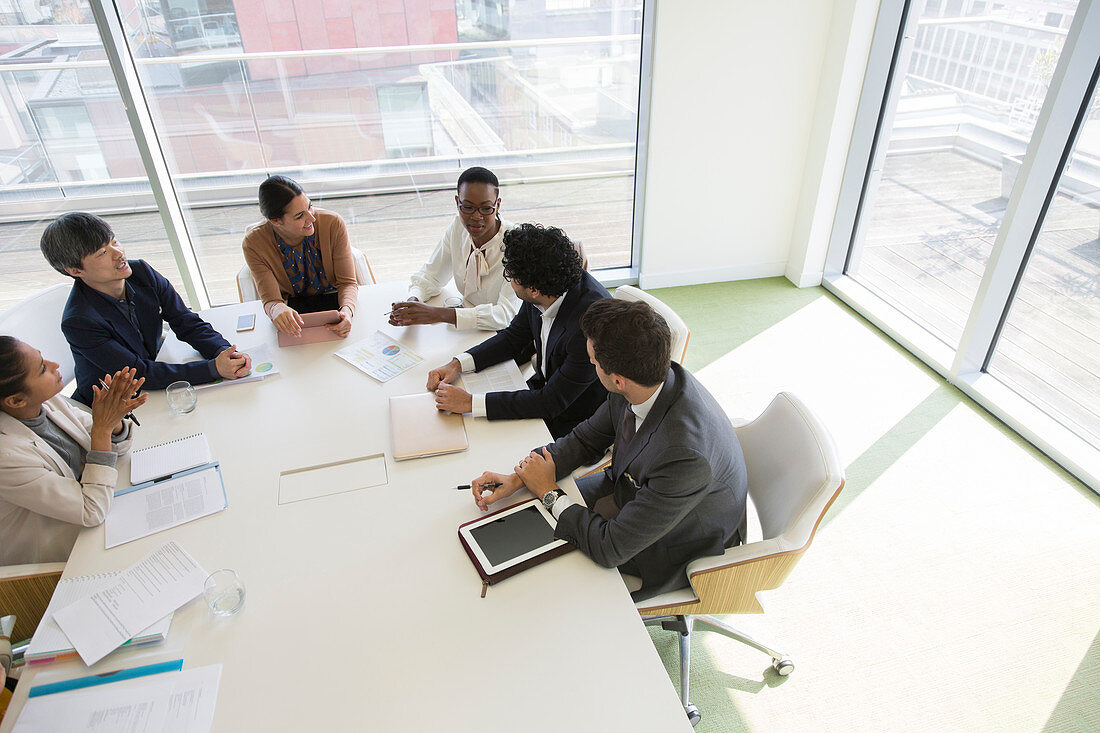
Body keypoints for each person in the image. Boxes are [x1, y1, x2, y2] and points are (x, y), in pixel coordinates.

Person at [469, 298, 748, 602]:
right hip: (631, 489)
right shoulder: (643, 379)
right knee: (523, 524)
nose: (590, 363)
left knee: (544, 582)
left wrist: (550, 493)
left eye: (593, 360)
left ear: (617, 379)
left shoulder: (685, 455)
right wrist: (520, 478)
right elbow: (585, 439)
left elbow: (610, 548)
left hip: (676, 542)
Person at [41, 212, 251, 406]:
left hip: (155, 379)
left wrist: (223, 352)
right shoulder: (79, 321)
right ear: (75, 270)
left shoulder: (141, 272)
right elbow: (139, 373)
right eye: (103, 252)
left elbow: (186, 322)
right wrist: (213, 368)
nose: (119, 253)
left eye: (115, 241)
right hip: (116, 403)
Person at [426, 223, 609, 439]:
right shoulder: (545, 285)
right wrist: (457, 364)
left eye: (510, 275)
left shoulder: (590, 327)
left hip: (577, 419)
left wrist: (469, 402)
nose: (509, 279)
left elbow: (551, 403)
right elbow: (514, 338)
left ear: (533, 289)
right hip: (542, 389)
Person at [0, 336, 146, 565]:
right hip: (59, 555)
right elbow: (91, 511)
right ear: (17, 400)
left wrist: (113, 419)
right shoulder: (6, 457)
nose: (55, 365)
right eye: (42, 369)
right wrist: (102, 430)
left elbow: (113, 449)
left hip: (99, 514)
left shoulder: (48, 402)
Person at [388, 166, 518, 331]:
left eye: (486, 209)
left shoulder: (515, 242)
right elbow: (431, 276)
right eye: (468, 207)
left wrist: (438, 314)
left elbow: (505, 315)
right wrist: (413, 302)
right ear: (457, 202)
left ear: (498, 205)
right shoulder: (458, 227)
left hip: (505, 334)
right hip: (468, 330)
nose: (476, 217)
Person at [242, 175, 358, 338]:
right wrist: (277, 309)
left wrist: (347, 310)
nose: (312, 217)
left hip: (335, 302)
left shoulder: (332, 223)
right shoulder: (254, 243)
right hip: (294, 313)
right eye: (299, 216)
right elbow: (271, 301)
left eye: (310, 207)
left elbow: (347, 282)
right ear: (275, 221)